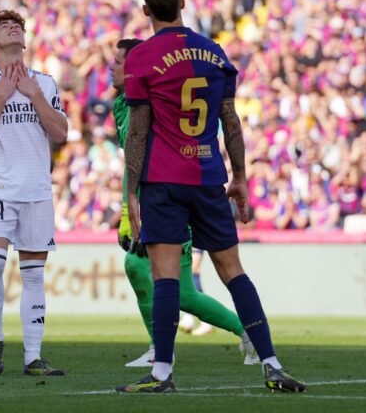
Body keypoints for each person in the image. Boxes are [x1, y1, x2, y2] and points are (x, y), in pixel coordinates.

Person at [117, 0, 306, 393]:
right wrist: (239, 176)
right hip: (207, 177)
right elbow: (230, 121)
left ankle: (162, 373)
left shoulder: (142, 58)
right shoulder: (214, 53)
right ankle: (272, 364)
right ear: (182, 2)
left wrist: (131, 191)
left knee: (165, 276)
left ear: (146, 10)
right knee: (233, 271)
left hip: (163, 181)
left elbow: (138, 132)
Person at [110, 39, 258, 368]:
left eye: (118, 61)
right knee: (137, 268)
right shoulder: (121, 105)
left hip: (171, 196)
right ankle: (159, 349)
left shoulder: (149, 102)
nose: (111, 67)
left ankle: (248, 332)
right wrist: (126, 210)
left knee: (181, 292)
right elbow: (132, 162)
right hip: (151, 198)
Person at [0, 10, 68, 376]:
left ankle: (33, 357)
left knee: (34, 275)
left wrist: (33, 95)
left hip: (36, 188)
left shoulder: (45, 83)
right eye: (4, 26)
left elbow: (61, 132)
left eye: (18, 26)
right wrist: (2, 97)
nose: (14, 28)